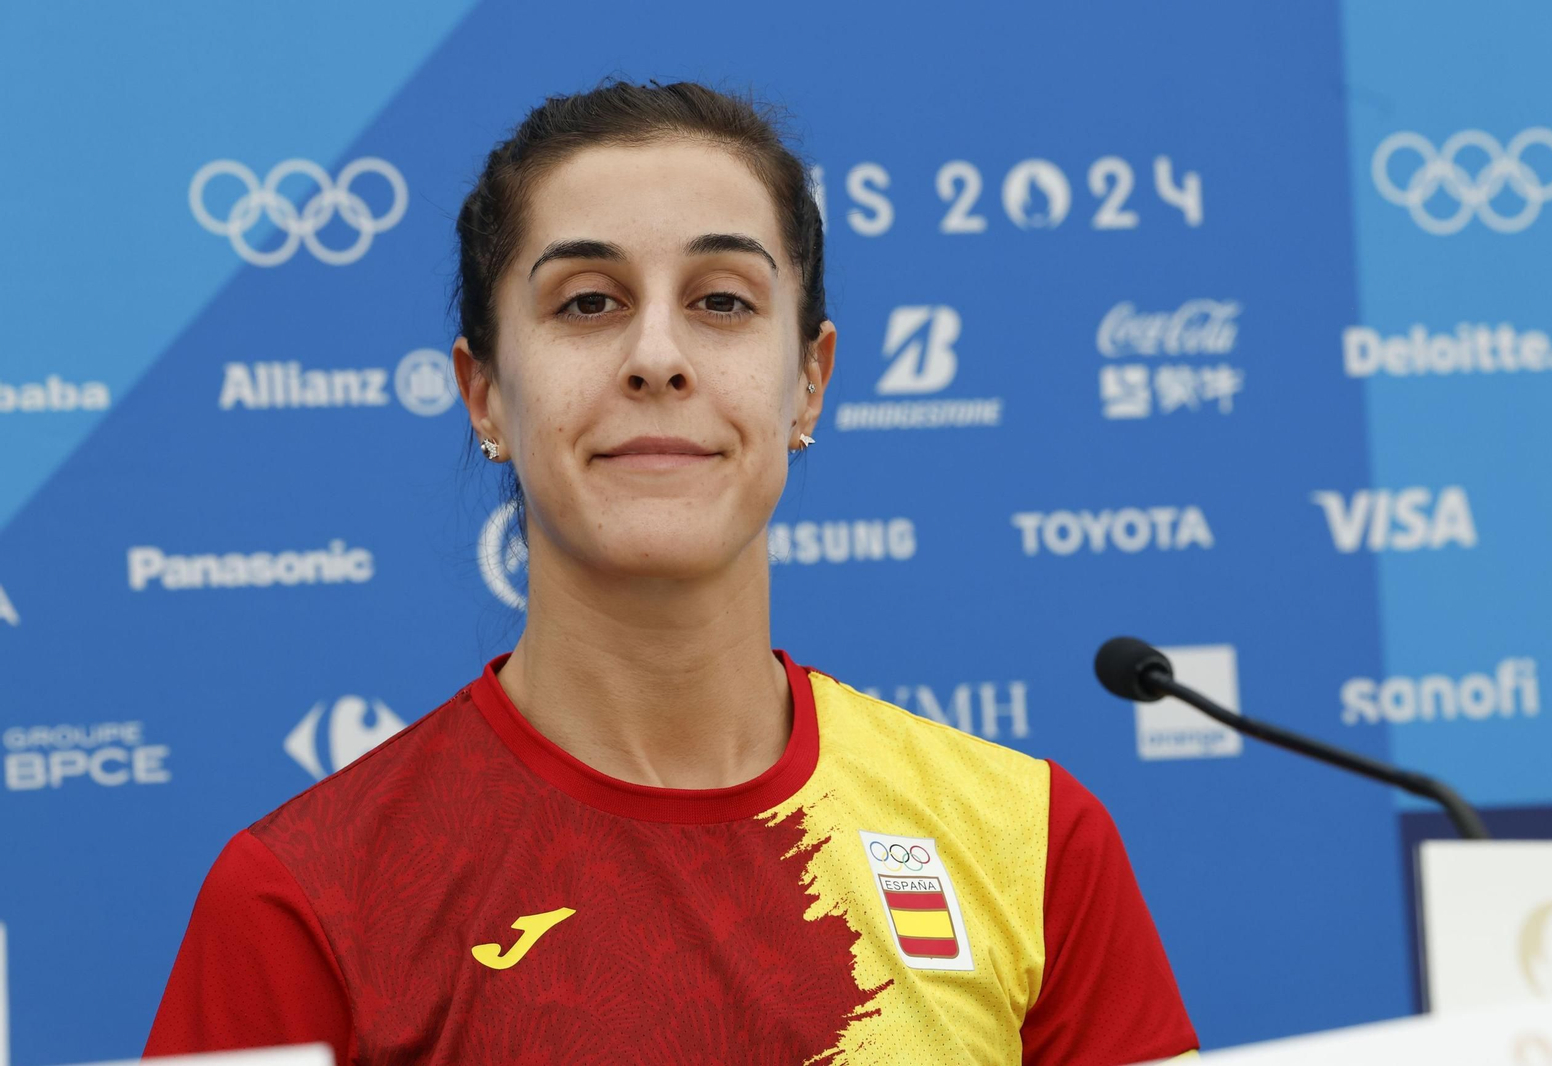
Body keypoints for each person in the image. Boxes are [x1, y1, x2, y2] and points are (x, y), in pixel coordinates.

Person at [143, 78, 1198, 1065]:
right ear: (485, 397)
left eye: (724, 301)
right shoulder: (305, 898)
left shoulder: (1033, 844)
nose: (658, 355)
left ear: (809, 384)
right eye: (588, 303)